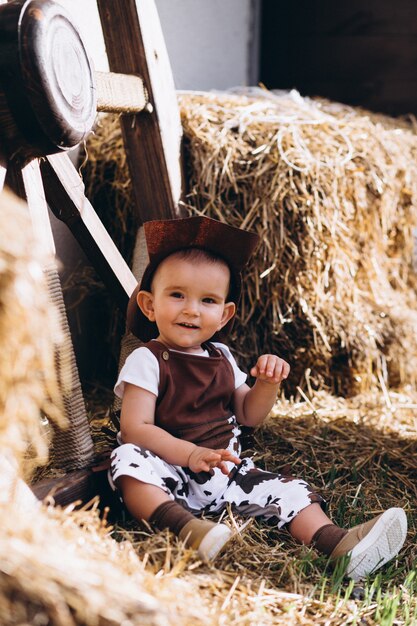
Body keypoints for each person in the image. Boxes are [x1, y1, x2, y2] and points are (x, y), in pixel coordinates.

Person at [109, 216, 407, 581]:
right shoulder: (147, 359)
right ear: (149, 305)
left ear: (224, 315)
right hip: (170, 472)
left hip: (228, 472)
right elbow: (135, 429)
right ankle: (185, 529)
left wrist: (267, 384)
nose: (192, 309)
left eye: (208, 300)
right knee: (127, 460)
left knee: (291, 490)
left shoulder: (222, 357)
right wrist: (189, 454)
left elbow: (249, 415)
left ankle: (338, 544)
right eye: (177, 295)